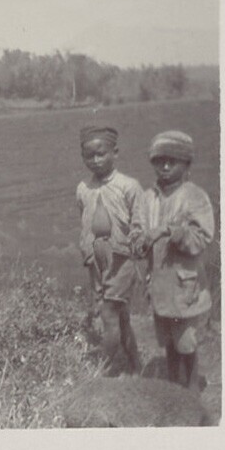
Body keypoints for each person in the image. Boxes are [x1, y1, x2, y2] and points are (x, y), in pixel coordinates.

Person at [131, 130, 214, 393]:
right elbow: (137, 230)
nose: (165, 166)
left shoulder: (195, 196)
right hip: (159, 286)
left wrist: (172, 232)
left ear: (186, 164)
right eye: (159, 161)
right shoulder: (147, 198)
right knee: (167, 339)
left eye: (172, 161)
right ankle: (173, 389)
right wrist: (140, 242)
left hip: (185, 285)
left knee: (185, 342)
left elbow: (202, 238)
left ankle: (191, 390)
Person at [76, 124, 143, 375]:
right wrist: (88, 256)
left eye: (101, 154)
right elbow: (85, 224)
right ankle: (136, 366)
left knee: (109, 314)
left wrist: (137, 241)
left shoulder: (129, 186)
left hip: (121, 261)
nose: (95, 160)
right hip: (96, 261)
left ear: (115, 152)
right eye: (88, 156)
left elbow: (140, 223)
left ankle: (103, 372)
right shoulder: (83, 189)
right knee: (121, 318)